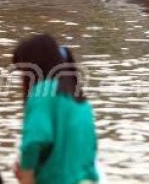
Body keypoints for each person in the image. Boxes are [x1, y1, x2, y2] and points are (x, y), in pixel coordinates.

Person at [12, 34, 98, 184]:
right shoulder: (81, 100)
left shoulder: (42, 94)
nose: (21, 80)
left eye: (23, 71)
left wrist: (26, 176)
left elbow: (34, 141)